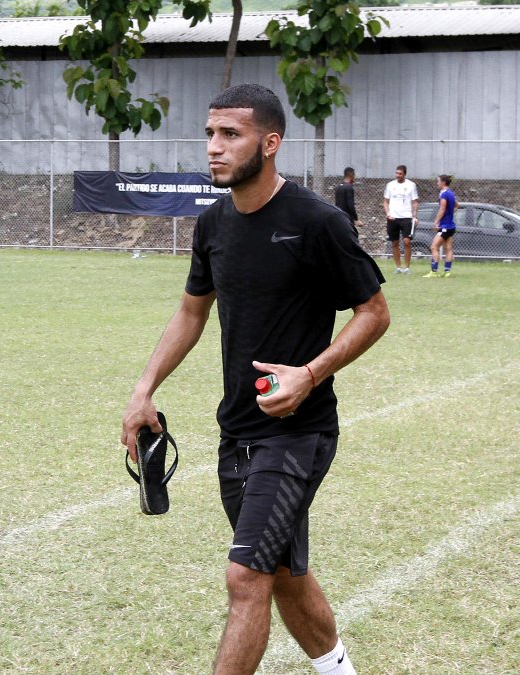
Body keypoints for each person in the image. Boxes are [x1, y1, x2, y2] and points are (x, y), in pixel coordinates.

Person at [120, 84, 389, 675]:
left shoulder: (317, 221)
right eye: (210, 134)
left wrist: (311, 373)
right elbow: (193, 311)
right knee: (284, 576)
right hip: (235, 431)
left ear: (270, 143)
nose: (214, 148)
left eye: (230, 135)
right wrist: (144, 390)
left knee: (246, 578)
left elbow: (374, 312)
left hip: (297, 434)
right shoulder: (214, 224)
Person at [383, 165, 419, 275]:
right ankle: (398, 267)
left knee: (406, 242)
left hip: (406, 217)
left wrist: (414, 216)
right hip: (393, 218)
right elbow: (385, 201)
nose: (398, 175)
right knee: (394, 242)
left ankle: (407, 268)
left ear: (404, 174)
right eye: (396, 173)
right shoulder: (390, 185)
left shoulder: (411, 185)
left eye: (400, 174)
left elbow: (415, 202)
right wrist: (388, 213)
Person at [423, 174, 457, 278]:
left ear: (443, 182)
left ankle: (434, 272)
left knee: (434, 247)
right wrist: (450, 214)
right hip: (451, 226)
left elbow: (442, 209)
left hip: (445, 227)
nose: (437, 183)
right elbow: (457, 205)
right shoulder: (451, 193)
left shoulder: (443, 194)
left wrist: (436, 222)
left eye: (438, 181)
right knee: (448, 248)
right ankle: (447, 271)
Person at [333, 167, 361, 234]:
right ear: (351, 175)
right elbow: (350, 205)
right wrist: (356, 219)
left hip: (339, 216)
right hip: (347, 218)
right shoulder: (349, 188)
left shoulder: (338, 187)